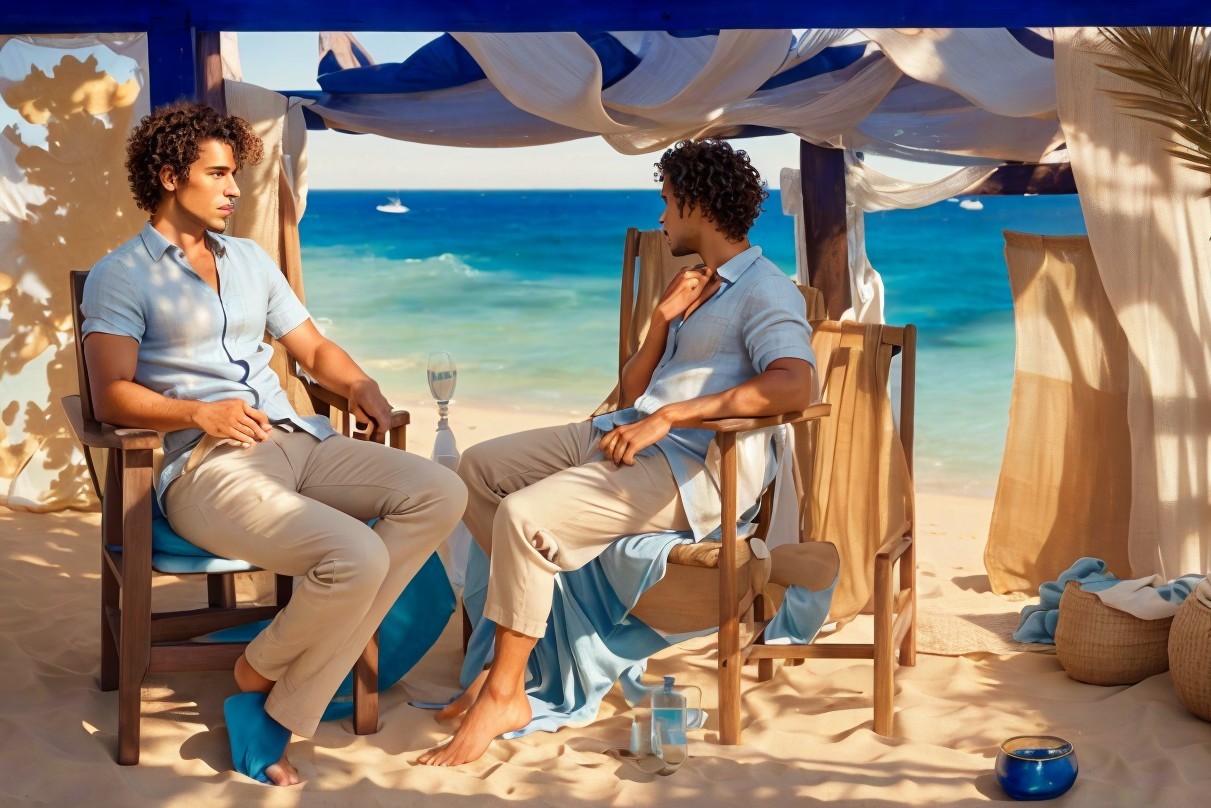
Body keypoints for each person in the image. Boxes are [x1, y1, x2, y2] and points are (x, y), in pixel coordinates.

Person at [81, 102, 466, 786]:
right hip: (205, 468)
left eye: (237, 175)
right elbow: (111, 393)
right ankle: (274, 700)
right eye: (219, 175)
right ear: (171, 176)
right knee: (356, 554)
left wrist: (361, 385)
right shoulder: (123, 274)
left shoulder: (251, 260)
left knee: (440, 490)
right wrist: (198, 414)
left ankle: (259, 671)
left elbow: (311, 347)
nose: (234, 190)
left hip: (299, 439)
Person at [420, 138, 816, 766]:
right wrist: (661, 321)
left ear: (693, 203)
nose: (661, 217)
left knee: (526, 516)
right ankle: (538, 638)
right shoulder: (697, 287)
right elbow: (634, 389)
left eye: (666, 202)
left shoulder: (766, 289)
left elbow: (797, 382)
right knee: (477, 471)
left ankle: (504, 689)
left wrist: (673, 415)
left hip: (691, 469)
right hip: (627, 430)